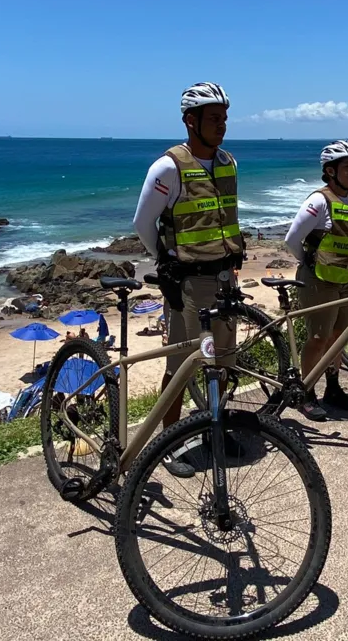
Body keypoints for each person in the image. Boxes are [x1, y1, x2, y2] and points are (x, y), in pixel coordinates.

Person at [133, 82, 243, 477]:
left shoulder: (228, 163)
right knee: (181, 365)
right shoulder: (168, 167)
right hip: (189, 282)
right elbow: (143, 223)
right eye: (214, 118)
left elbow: (226, 217)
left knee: (224, 362)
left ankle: (214, 426)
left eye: (224, 117)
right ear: (190, 121)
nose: (222, 125)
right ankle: (170, 442)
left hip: (224, 276)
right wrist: (165, 262)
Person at [285, 141, 348, 421]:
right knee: (319, 338)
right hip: (320, 280)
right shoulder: (319, 201)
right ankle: (306, 392)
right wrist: (308, 262)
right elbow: (292, 239)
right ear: (330, 171)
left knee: (338, 338)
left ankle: (332, 388)